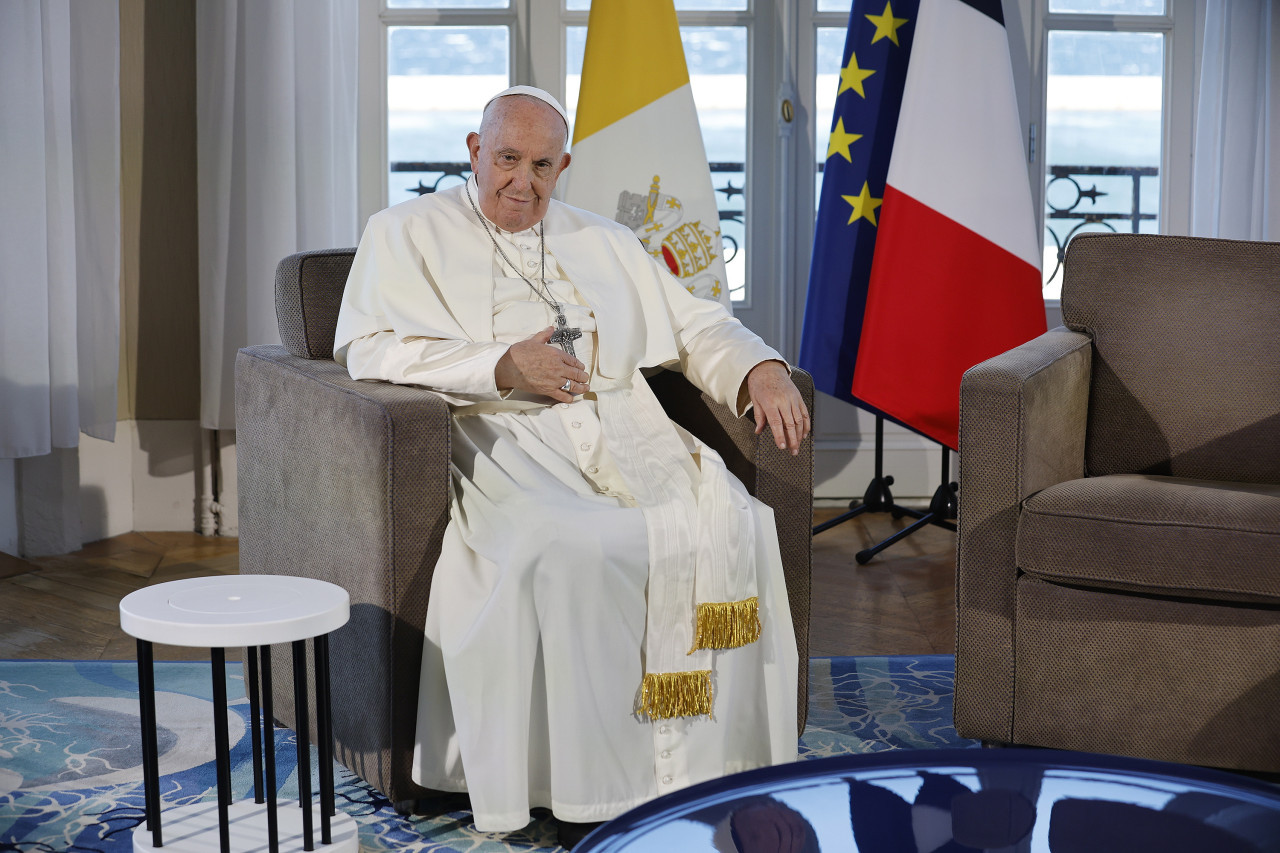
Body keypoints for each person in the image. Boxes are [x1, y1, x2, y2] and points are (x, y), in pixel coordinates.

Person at [333, 85, 811, 848]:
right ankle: (590, 787)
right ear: (473, 151)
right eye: (507, 160)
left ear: (565, 165)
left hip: (628, 433)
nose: (523, 182)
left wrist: (760, 367)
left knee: (735, 524)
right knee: (574, 545)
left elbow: (696, 322)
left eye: (542, 165)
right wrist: (501, 365)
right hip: (502, 437)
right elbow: (369, 347)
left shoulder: (605, 240)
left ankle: (708, 764)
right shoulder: (404, 232)